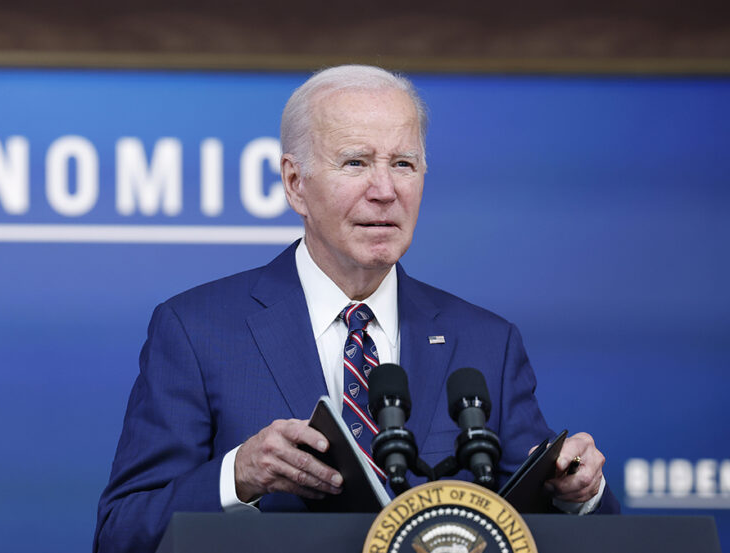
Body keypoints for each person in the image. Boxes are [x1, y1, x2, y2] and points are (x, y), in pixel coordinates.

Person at [94, 65, 618, 553]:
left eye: (403, 164)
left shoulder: (487, 342)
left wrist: (581, 494)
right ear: (295, 183)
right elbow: (121, 533)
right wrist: (238, 476)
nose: (385, 191)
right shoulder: (197, 329)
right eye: (356, 163)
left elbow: (553, 525)